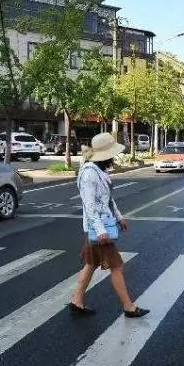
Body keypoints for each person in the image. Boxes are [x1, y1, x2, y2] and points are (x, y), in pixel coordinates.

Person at [70, 132, 149, 319]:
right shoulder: (90, 173)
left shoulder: (100, 171)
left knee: (90, 265)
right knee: (116, 266)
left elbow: (107, 201)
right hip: (100, 230)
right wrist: (100, 230)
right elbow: (89, 206)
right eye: (112, 154)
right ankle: (128, 307)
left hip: (101, 226)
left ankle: (76, 300)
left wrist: (120, 217)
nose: (114, 158)